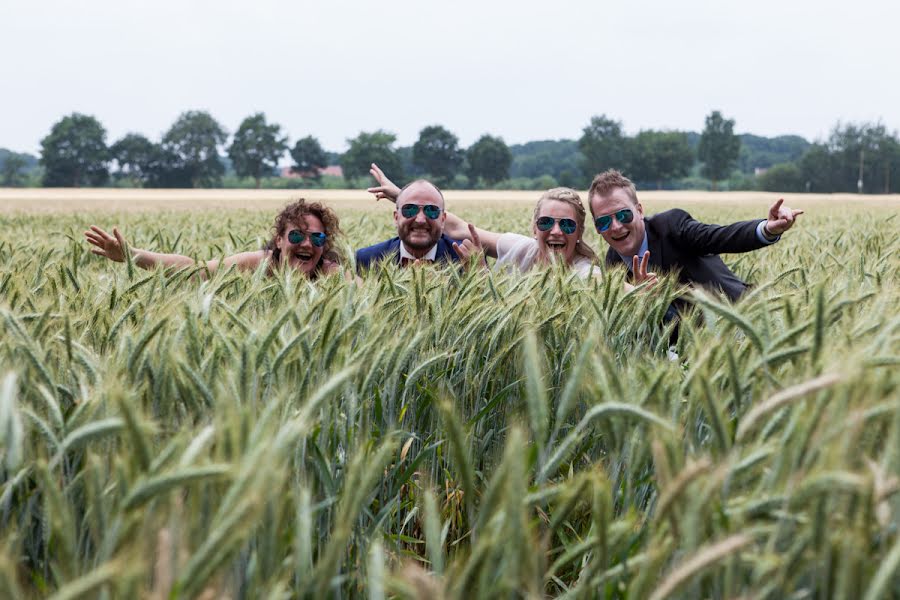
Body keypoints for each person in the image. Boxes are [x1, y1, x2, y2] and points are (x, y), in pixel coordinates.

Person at [366, 164, 657, 284]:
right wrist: (402, 197)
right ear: (534, 228)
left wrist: (638, 294)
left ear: (580, 232)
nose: (555, 231)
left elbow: (615, 291)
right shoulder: (522, 250)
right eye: (546, 222)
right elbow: (457, 228)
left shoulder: (585, 274)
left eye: (567, 226)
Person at [588, 169, 803, 301]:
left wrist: (767, 228)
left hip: (739, 318)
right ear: (597, 228)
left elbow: (720, 236)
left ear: (640, 211)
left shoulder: (671, 226)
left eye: (623, 215)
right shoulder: (612, 265)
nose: (615, 227)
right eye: (604, 221)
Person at [84, 198, 342, 279]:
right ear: (279, 240)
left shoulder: (332, 276)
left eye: (317, 238)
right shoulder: (257, 264)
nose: (307, 244)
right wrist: (134, 255)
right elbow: (194, 272)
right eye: (297, 235)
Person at [355, 178, 462, 271]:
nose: (420, 220)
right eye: (409, 209)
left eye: (431, 210)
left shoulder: (464, 260)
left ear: (443, 220)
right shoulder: (366, 260)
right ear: (396, 218)